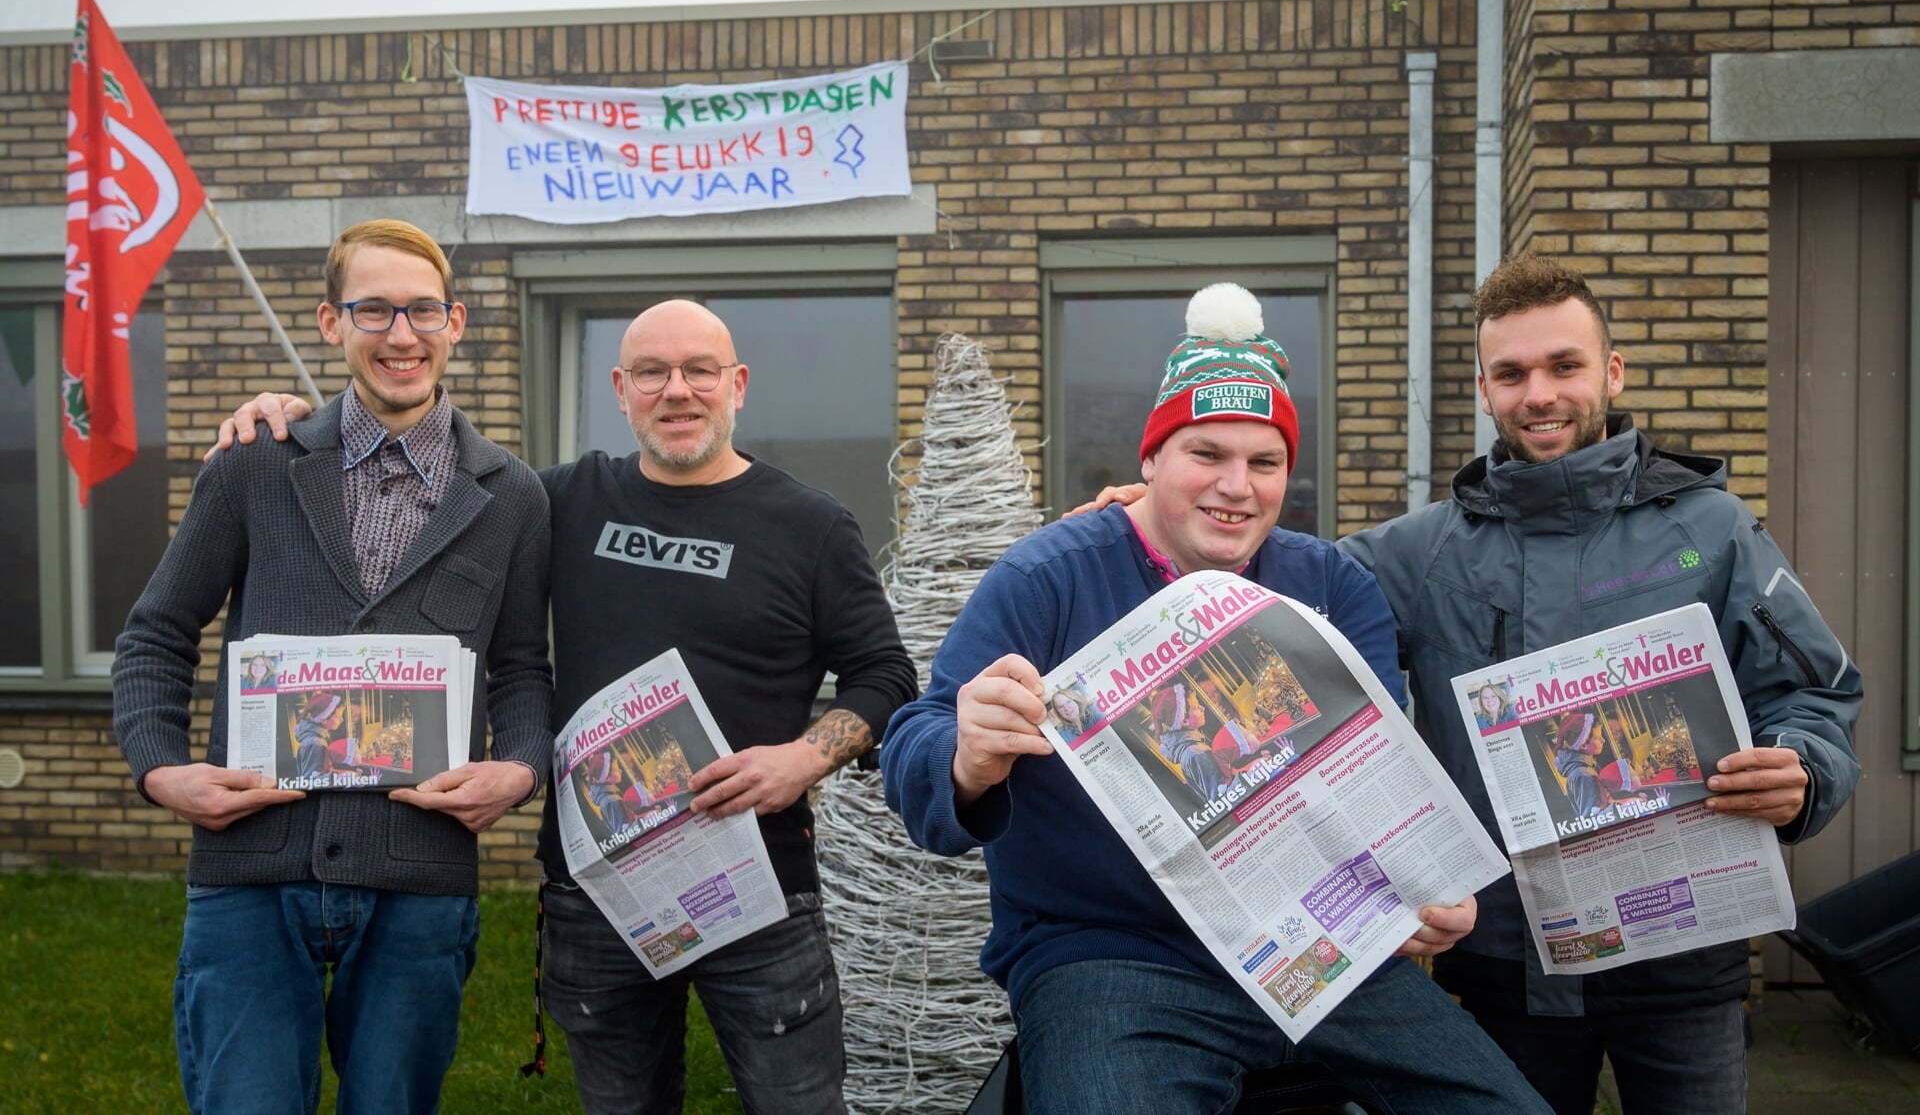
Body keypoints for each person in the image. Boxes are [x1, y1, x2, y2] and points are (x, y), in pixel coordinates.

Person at [213, 298, 918, 1114]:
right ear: (621, 389)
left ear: (738, 385)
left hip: (758, 885)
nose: (677, 391)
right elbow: (421, 478)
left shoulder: (813, 525)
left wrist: (802, 759)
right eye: (652, 372)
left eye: (699, 371)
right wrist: (300, 422)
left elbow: (887, 677)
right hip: (598, 890)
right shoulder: (562, 502)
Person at [882, 283, 1548, 1114]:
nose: (1237, 486)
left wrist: (1414, 896)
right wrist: (965, 755)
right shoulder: (1047, 576)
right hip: (1113, 956)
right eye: (1206, 453)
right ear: (1151, 459)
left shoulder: (1331, 584)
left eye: (1264, 462)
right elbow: (917, 738)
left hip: (1320, 944)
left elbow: (1378, 782)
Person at [1339, 253, 1864, 1115]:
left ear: (1611, 372)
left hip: (1684, 963)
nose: (1538, 394)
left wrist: (1800, 767)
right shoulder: (1421, 552)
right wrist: (1158, 514)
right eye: (1512, 373)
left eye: (1564, 366)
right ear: (1483, 389)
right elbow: (1260, 597)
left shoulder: (1714, 528)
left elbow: (1818, 693)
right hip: (1503, 967)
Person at [112, 219, 554, 1115]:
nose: (402, 335)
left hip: (419, 879)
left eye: (424, 310)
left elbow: (521, 670)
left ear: (457, 322)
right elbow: (157, 632)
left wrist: (521, 766)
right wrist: (162, 772)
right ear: (329, 322)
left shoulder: (511, 497)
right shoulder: (254, 467)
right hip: (251, 872)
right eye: (375, 310)